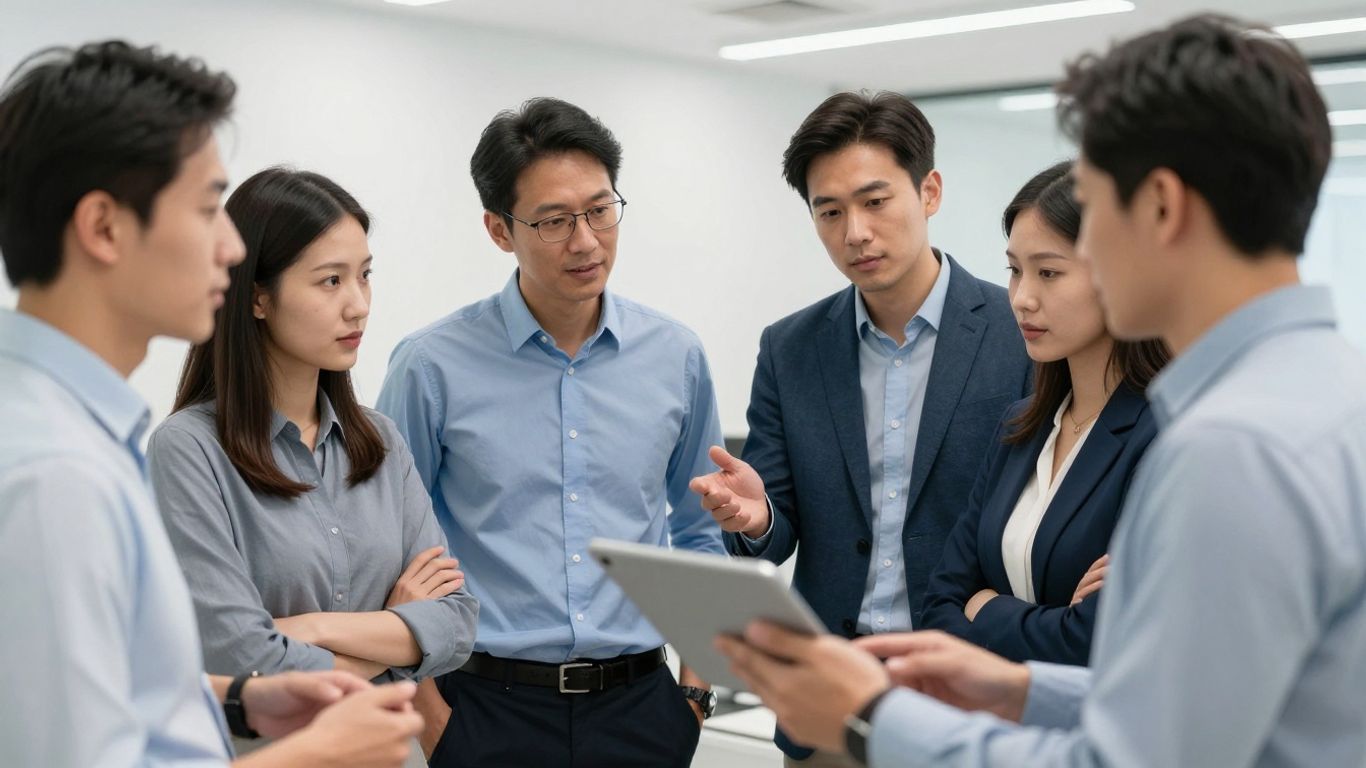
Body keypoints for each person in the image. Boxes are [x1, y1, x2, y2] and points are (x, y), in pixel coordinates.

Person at [717, 13, 1366, 768]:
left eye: (1091, 207)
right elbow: (1194, 709)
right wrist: (1024, 689)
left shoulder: (1230, 448)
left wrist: (869, 719)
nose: (1034, 288)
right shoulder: (1330, 391)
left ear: (1160, 205)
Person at [0, 40, 424, 767]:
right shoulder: (56, 475)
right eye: (206, 208)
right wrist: (315, 753)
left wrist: (234, 698)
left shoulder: (75, 431)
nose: (231, 246)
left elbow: (107, 693)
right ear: (103, 227)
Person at [376, 97, 723, 768]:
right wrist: (431, 716)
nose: (586, 240)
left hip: (643, 710)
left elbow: (700, 530)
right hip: (484, 708)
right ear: (499, 230)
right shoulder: (431, 366)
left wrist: (694, 696)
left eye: (599, 209)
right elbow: (388, 548)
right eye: (555, 220)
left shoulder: (676, 356)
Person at [688, 90, 1031, 764]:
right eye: (830, 211)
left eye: (876, 202)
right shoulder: (791, 347)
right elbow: (776, 525)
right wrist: (756, 519)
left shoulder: (1020, 334)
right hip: (827, 708)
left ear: (928, 191)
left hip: (971, 702)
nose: (855, 233)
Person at [147, 167, 480, 762]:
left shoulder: (379, 440)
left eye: (365, 276)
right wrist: (396, 629)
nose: (359, 305)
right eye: (330, 281)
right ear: (256, 296)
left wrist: (311, 628)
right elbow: (242, 659)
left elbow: (456, 622)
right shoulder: (188, 451)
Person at [918, 161, 1168, 665]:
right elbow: (939, 606)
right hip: (993, 733)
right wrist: (1049, 622)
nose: (1022, 298)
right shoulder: (1021, 425)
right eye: (1014, 270)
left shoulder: (1164, 433)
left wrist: (986, 608)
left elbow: (1095, 641)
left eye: (1049, 273)